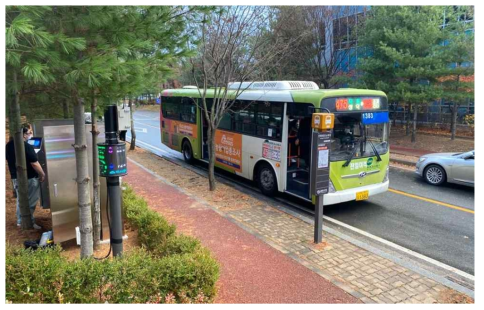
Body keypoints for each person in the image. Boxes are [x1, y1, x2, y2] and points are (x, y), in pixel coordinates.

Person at [6, 126, 45, 229]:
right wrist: (42, 174)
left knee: (21, 200)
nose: (30, 135)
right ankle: (29, 222)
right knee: (31, 200)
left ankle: (20, 221)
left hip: (16, 178)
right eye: (29, 133)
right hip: (30, 178)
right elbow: (35, 163)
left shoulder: (8, 145)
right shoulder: (26, 146)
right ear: (23, 135)